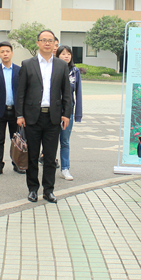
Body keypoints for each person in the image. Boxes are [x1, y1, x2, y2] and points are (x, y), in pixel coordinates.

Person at [16, 30, 72, 204]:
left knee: (49, 157)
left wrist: (66, 114)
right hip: (33, 117)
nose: (47, 43)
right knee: (32, 156)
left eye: (50, 40)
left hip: (53, 118)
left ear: (55, 43)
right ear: (38, 43)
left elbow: (67, 93)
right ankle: (33, 189)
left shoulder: (61, 65)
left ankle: (49, 190)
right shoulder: (27, 64)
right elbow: (21, 92)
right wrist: (19, 115)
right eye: (44, 40)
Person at [0, 41, 23, 176]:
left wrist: (22, 112)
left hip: (16, 112)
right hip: (0, 111)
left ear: (12, 53)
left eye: (7, 51)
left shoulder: (20, 71)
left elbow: (23, 92)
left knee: (17, 140)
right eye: (2, 51)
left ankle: (17, 164)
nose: (5, 53)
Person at [56, 45, 83, 181]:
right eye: (63, 54)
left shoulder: (74, 71)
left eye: (68, 54)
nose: (66, 56)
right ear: (58, 55)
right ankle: (49, 166)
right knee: (51, 141)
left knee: (65, 141)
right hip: (52, 112)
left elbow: (78, 92)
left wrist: (77, 113)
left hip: (68, 112)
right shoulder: (53, 69)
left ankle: (65, 168)